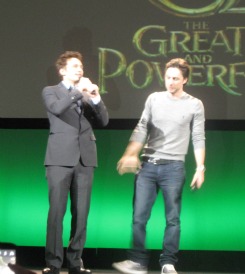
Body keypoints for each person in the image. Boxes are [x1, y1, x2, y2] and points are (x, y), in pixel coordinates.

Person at [112, 58, 205, 274]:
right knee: (138, 216)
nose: (170, 82)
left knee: (172, 218)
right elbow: (142, 127)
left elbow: (198, 136)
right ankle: (137, 261)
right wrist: (130, 154)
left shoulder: (194, 104)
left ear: (185, 80)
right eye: (168, 77)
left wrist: (200, 168)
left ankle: (168, 262)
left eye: (175, 79)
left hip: (174, 168)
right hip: (148, 166)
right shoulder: (154, 99)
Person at [42, 51, 109, 274]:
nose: (80, 70)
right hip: (59, 159)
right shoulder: (51, 91)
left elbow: (104, 121)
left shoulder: (87, 95)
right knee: (57, 212)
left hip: (85, 159)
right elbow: (57, 109)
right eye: (74, 66)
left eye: (81, 66)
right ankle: (53, 263)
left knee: (81, 214)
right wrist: (78, 93)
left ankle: (75, 261)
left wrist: (96, 97)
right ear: (62, 71)